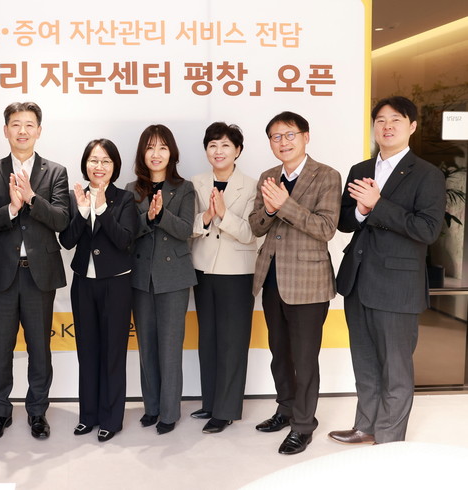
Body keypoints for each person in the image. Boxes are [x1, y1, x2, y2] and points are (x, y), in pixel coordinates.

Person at [329, 96, 445, 445]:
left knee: (395, 367)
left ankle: (390, 439)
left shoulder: (427, 174)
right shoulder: (360, 169)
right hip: (358, 280)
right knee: (364, 362)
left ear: (412, 126)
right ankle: (365, 426)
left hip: (397, 284)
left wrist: (378, 205)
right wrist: (361, 211)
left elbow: (427, 230)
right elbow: (345, 220)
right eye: (380, 120)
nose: (387, 126)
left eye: (396, 119)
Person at [0, 101, 69, 440]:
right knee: (0, 347)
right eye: (16, 124)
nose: (22, 131)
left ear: (39, 131)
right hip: (3, 273)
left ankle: (37, 412)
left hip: (39, 274)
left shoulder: (55, 172)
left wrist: (31, 199)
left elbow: (62, 220)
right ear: (6, 130)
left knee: (39, 348)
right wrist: (11, 209)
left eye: (29, 125)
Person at [249, 111, 341, 455]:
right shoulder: (268, 176)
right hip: (271, 278)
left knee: (304, 358)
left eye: (290, 135)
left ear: (306, 137)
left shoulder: (327, 176)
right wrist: (271, 210)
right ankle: (285, 409)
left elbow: (326, 228)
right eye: (276, 137)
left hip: (308, 282)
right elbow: (256, 226)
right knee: (280, 353)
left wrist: (285, 205)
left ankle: (303, 425)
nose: (283, 142)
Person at [58, 138, 137, 442]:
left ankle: (111, 419)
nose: (99, 166)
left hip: (116, 283)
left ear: (114, 166)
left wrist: (102, 209)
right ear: (85, 164)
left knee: (113, 353)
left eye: (105, 161)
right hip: (83, 283)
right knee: (87, 351)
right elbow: (67, 241)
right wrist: (82, 212)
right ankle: (87, 416)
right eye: (93, 160)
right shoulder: (74, 196)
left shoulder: (125, 198)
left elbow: (124, 240)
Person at [126, 124, 197, 435]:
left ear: (172, 153)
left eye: (163, 147)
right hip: (141, 277)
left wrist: (162, 215)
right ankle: (151, 407)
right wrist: (148, 218)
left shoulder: (184, 188)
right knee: (147, 346)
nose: (156, 154)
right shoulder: (131, 189)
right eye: (150, 147)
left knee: (170, 347)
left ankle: (169, 412)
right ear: (143, 153)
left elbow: (185, 230)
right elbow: (128, 232)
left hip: (174, 278)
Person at [189, 122, 257, 434]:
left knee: (233, 342)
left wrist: (223, 215)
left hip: (237, 273)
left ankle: (226, 410)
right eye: (213, 145)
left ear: (238, 151)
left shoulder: (252, 185)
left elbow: (252, 233)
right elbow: (187, 229)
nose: (219, 151)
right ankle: (210, 402)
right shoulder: (196, 183)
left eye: (226, 145)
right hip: (203, 269)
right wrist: (205, 217)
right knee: (208, 339)